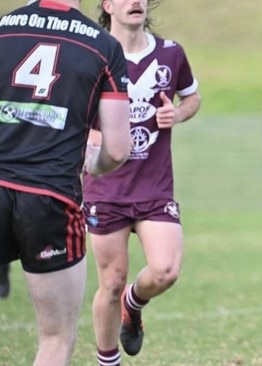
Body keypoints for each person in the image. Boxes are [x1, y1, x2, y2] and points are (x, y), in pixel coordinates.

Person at [0, 0, 132, 364]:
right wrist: (95, 165)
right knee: (55, 338)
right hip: (50, 199)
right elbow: (118, 148)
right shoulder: (102, 44)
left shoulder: (5, 27)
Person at [82, 1, 201, 365]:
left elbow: (192, 97)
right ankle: (108, 360)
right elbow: (70, 109)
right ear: (107, 5)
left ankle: (133, 304)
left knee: (166, 270)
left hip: (154, 187)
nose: (135, 2)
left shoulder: (170, 53)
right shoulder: (92, 52)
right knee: (111, 281)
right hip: (105, 187)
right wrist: (93, 137)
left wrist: (176, 113)